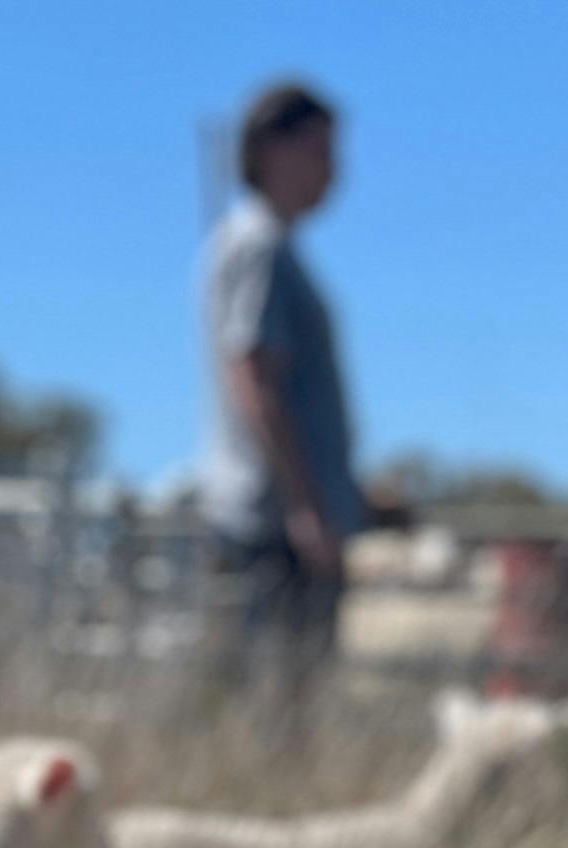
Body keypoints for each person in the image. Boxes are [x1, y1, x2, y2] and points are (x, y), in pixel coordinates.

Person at [199, 78, 367, 690]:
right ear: (272, 149)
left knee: (291, 695)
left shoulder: (273, 248)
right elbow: (254, 376)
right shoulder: (257, 246)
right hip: (274, 525)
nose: (334, 171)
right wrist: (306, 503)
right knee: (281, 699)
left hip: (287, 518)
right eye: (321, 151)